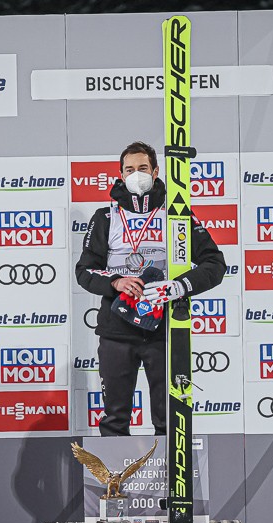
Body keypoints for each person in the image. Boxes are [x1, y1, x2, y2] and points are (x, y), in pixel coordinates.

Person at [76, 141, 226, 436]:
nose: (136, 175)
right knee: (115, 418)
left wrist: (179, 286)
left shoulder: (176, 215)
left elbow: (215, 264)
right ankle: (115, 469)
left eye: (142, 168)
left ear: (155, 172)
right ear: (120, 174)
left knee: (168, 417)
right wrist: (116, 281)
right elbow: (84, 271)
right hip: (117, 329)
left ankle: (170, 468)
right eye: (129, 169)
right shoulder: (105, 217)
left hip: (164, 330)